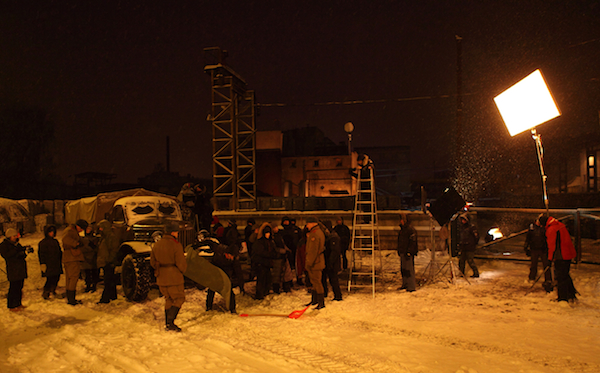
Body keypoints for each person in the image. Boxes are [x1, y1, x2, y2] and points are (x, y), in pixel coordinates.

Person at [150, 222, 187, 332]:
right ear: (172, 232)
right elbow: (181, 263)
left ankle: (167, 322)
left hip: (161, 277)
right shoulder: (176, 245)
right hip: (174, 277)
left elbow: (152, 262)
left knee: (169, 299)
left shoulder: (157, 244)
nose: (177, 234)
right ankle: (170, 322)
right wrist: (182, 271)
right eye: (176, 232)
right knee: (179, 298)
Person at [538, 215, 578, 302]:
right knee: (565, 275)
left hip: (561, 255)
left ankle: (562, 298)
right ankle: (571, 294)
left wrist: (549, 259)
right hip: (568, 254)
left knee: (560, 277)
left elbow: (551, 246)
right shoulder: (559, 225)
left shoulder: (551, 229)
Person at [0, 228, 29, 311]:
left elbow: (20, 255)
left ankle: (18, 303)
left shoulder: (16, 244)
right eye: (14, 236)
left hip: (20, 269)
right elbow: (7, 255)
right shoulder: (4, 245)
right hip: (13, 269)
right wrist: (17, 251)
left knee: (20, 286)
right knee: (13, 287)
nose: (15, 237)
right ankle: (11, 305)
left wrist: (25, 252)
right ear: (9, 236)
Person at [524, 216, 553, 292]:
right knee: (533, 264)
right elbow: (528, 237)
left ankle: (548, 279)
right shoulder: (532, 227)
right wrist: (526, 247)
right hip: (534, 248)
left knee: (546, 264)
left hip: (543, 249)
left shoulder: (545, 227)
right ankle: (532, 277)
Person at [62, 219, 87, 305]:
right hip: (72, 258)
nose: (82, 231)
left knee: (69, 278)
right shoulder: (70, 231)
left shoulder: (71, 230)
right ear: (78, 226)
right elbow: (65, 239)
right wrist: (76, 243)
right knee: (73, 277)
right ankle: (71, 299)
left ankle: (70, 298)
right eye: (82, 228)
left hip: (69, 258)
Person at [304, 217, 326, 309]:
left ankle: (320, 302)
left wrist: (309, 262)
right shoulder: (318, 232)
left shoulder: (315, 234)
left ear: (312, 223)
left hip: (315, 262)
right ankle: (315, 300)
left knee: (316, 282)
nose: (306, 226)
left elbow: (313, 250)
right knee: (314, 281)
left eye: (308, 224)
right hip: (317, 261)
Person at [96, 220, 120, 304]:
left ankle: (105, 299)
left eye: (101, 227)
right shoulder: (105, 237)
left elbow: (113, 249)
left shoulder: (110, 237)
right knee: (110, 279)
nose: (100, 229)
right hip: (106, 261)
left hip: (109, 262)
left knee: (108, 280)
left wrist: (109, 260)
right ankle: (113, 296)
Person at [251, 223, 275, 300]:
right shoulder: (260, 242)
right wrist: (270, 254)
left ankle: (265, 292)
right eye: (266, 233)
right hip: (261, 264)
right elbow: (261, 252)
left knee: (267, 279)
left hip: (266, 263)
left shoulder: (270, 241)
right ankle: (260, 295)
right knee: (261, 280)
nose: (268, 235)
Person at [38, 225, 63, 300]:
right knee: (50, 279)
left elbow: (59, 251)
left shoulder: (55, 241)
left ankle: (53, 290)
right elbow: (41, 254)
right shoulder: (43, 243)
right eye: (50, 232)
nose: (52, 233)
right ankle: (46, 292)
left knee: (56, 277)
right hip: (49, 264)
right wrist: (42, 263)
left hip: (56, 263)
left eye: (53, 232)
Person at [321, 221, 343, 301]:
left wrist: (330, 262)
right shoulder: (328, 236)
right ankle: (325, 293)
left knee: (333, 279)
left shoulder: (333, 237)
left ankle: (338, 296)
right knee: (325, 278)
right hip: (328, 261)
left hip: (332, 262)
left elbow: (335, 251)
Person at [397, 214, 418, 292]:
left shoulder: (410, 230)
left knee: (409, 269)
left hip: (408, 252)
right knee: (404, 269)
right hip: (403, 251)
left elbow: (413, 242)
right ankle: (405, 284)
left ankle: (411, 286)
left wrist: (409, 251)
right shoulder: (403, 229)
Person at [458, 213, 479, 278]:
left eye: (464, 220)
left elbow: (476, 237)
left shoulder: (472, 227)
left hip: (470, 247)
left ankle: (476, 273)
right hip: (463, 247)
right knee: (461, 261)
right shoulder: (462, 227)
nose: (463, 221)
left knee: (470, 261)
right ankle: (461, 273)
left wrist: (473, 244)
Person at [81, 223, 99, 293]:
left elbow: (96, 248)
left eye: (90, 229)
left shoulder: (95, 238)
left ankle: (94, 285)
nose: (88, 230)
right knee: (87, 273)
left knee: (94, 272)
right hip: (86, 258)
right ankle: (88, 285)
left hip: (93, 258)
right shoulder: (83, 238)